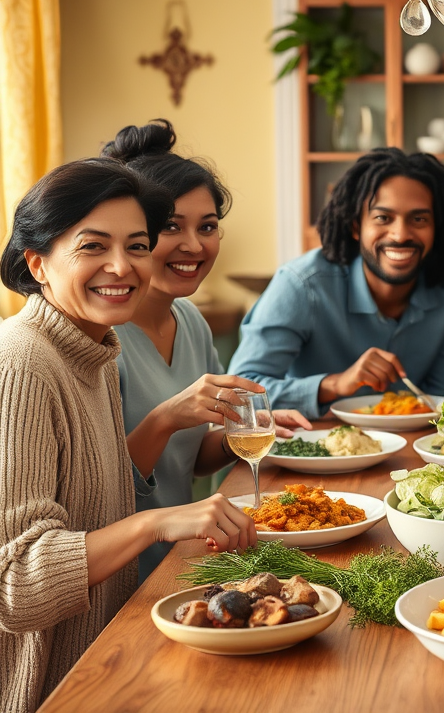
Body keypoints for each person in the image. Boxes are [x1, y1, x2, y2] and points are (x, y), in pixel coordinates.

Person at [0, 159, 256, 713]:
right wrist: (156, 520)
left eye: (137, 245)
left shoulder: (90, 351)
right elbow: (15, 585)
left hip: (115, 650)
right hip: (53, 685)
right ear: (37, 263)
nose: (122, 266)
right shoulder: (21, 363)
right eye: (93, 246)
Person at [102, 120, 311, 582]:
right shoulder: (102, 340)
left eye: (208, 226)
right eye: (171, 227)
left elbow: (191, 461)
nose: (194, 245)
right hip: (123, 578)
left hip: (189, 558)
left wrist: (251, 433)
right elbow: (104, 493)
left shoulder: (191, 321)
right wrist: (166, 417)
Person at [228, 148, 444, 418]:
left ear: (437, 228)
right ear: (356, 226)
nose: (401, 234)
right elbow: (238, 393)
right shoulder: (302, 285)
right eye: (383, 218)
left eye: (419, 219)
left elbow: (440, 398)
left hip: (415, 450)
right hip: (313, 445)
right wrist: (334, 384)